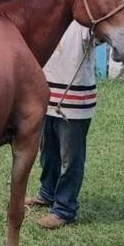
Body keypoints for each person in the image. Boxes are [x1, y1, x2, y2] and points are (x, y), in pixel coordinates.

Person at [25, 21, 97, 229]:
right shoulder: (52, 18)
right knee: (48, 152)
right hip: (46, 97)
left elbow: (104, 31)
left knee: (70, 158)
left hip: (74, 101)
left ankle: (65, 209)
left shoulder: (86, 22)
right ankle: (47, 193)